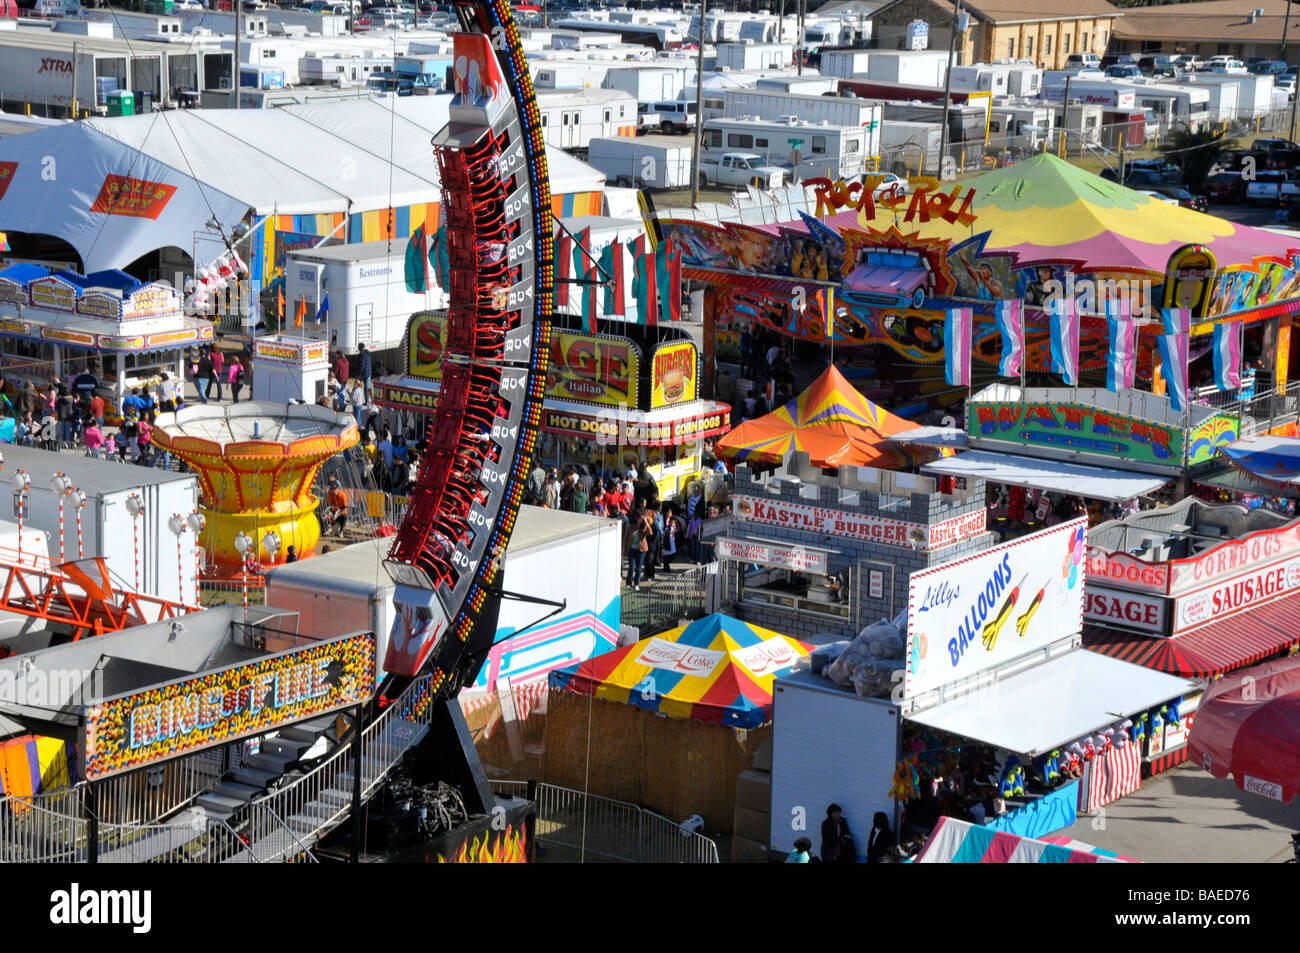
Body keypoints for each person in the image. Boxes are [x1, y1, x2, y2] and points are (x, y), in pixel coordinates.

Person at [626, 507, 653, 591]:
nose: (640, 520)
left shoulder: (644, 527)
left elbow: (650, 533)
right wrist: (625, 549)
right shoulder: (632, 527)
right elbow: (626, 538)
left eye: (641, 519)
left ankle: (636, 584)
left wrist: (646, 523)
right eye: (639, 519)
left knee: (639, 567)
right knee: (631, 567)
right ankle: (629, 583)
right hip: (632, 549)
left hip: (641, 550)